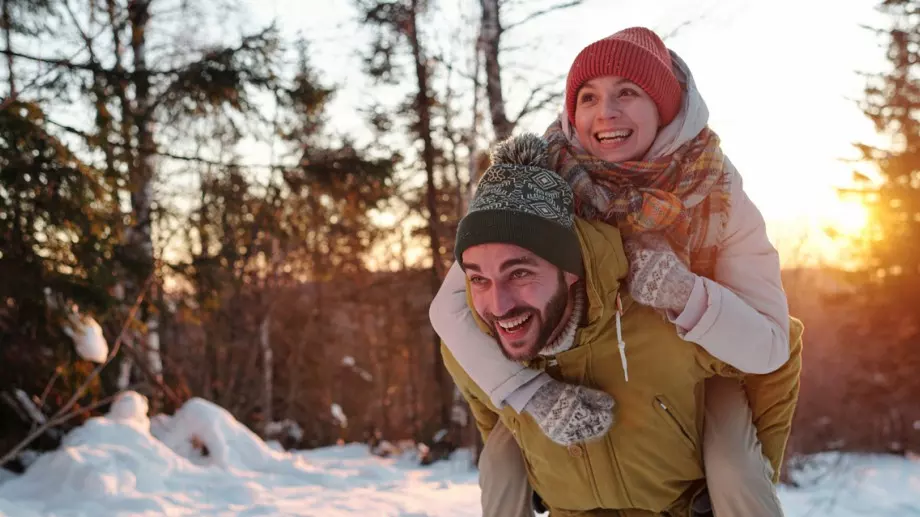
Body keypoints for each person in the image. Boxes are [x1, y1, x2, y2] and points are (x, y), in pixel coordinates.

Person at [431, 27, 799, 515]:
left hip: (693, 373)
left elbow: (772, 346)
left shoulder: (716, 192)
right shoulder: (539, 187)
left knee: (735, 467)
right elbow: (451, 309)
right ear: (572, 111)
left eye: (628, 92)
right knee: (501, 461)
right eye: (589, 97)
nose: (606, 112)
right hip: (571, 375)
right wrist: (533, 395)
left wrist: (687, 294)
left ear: (664, 108)